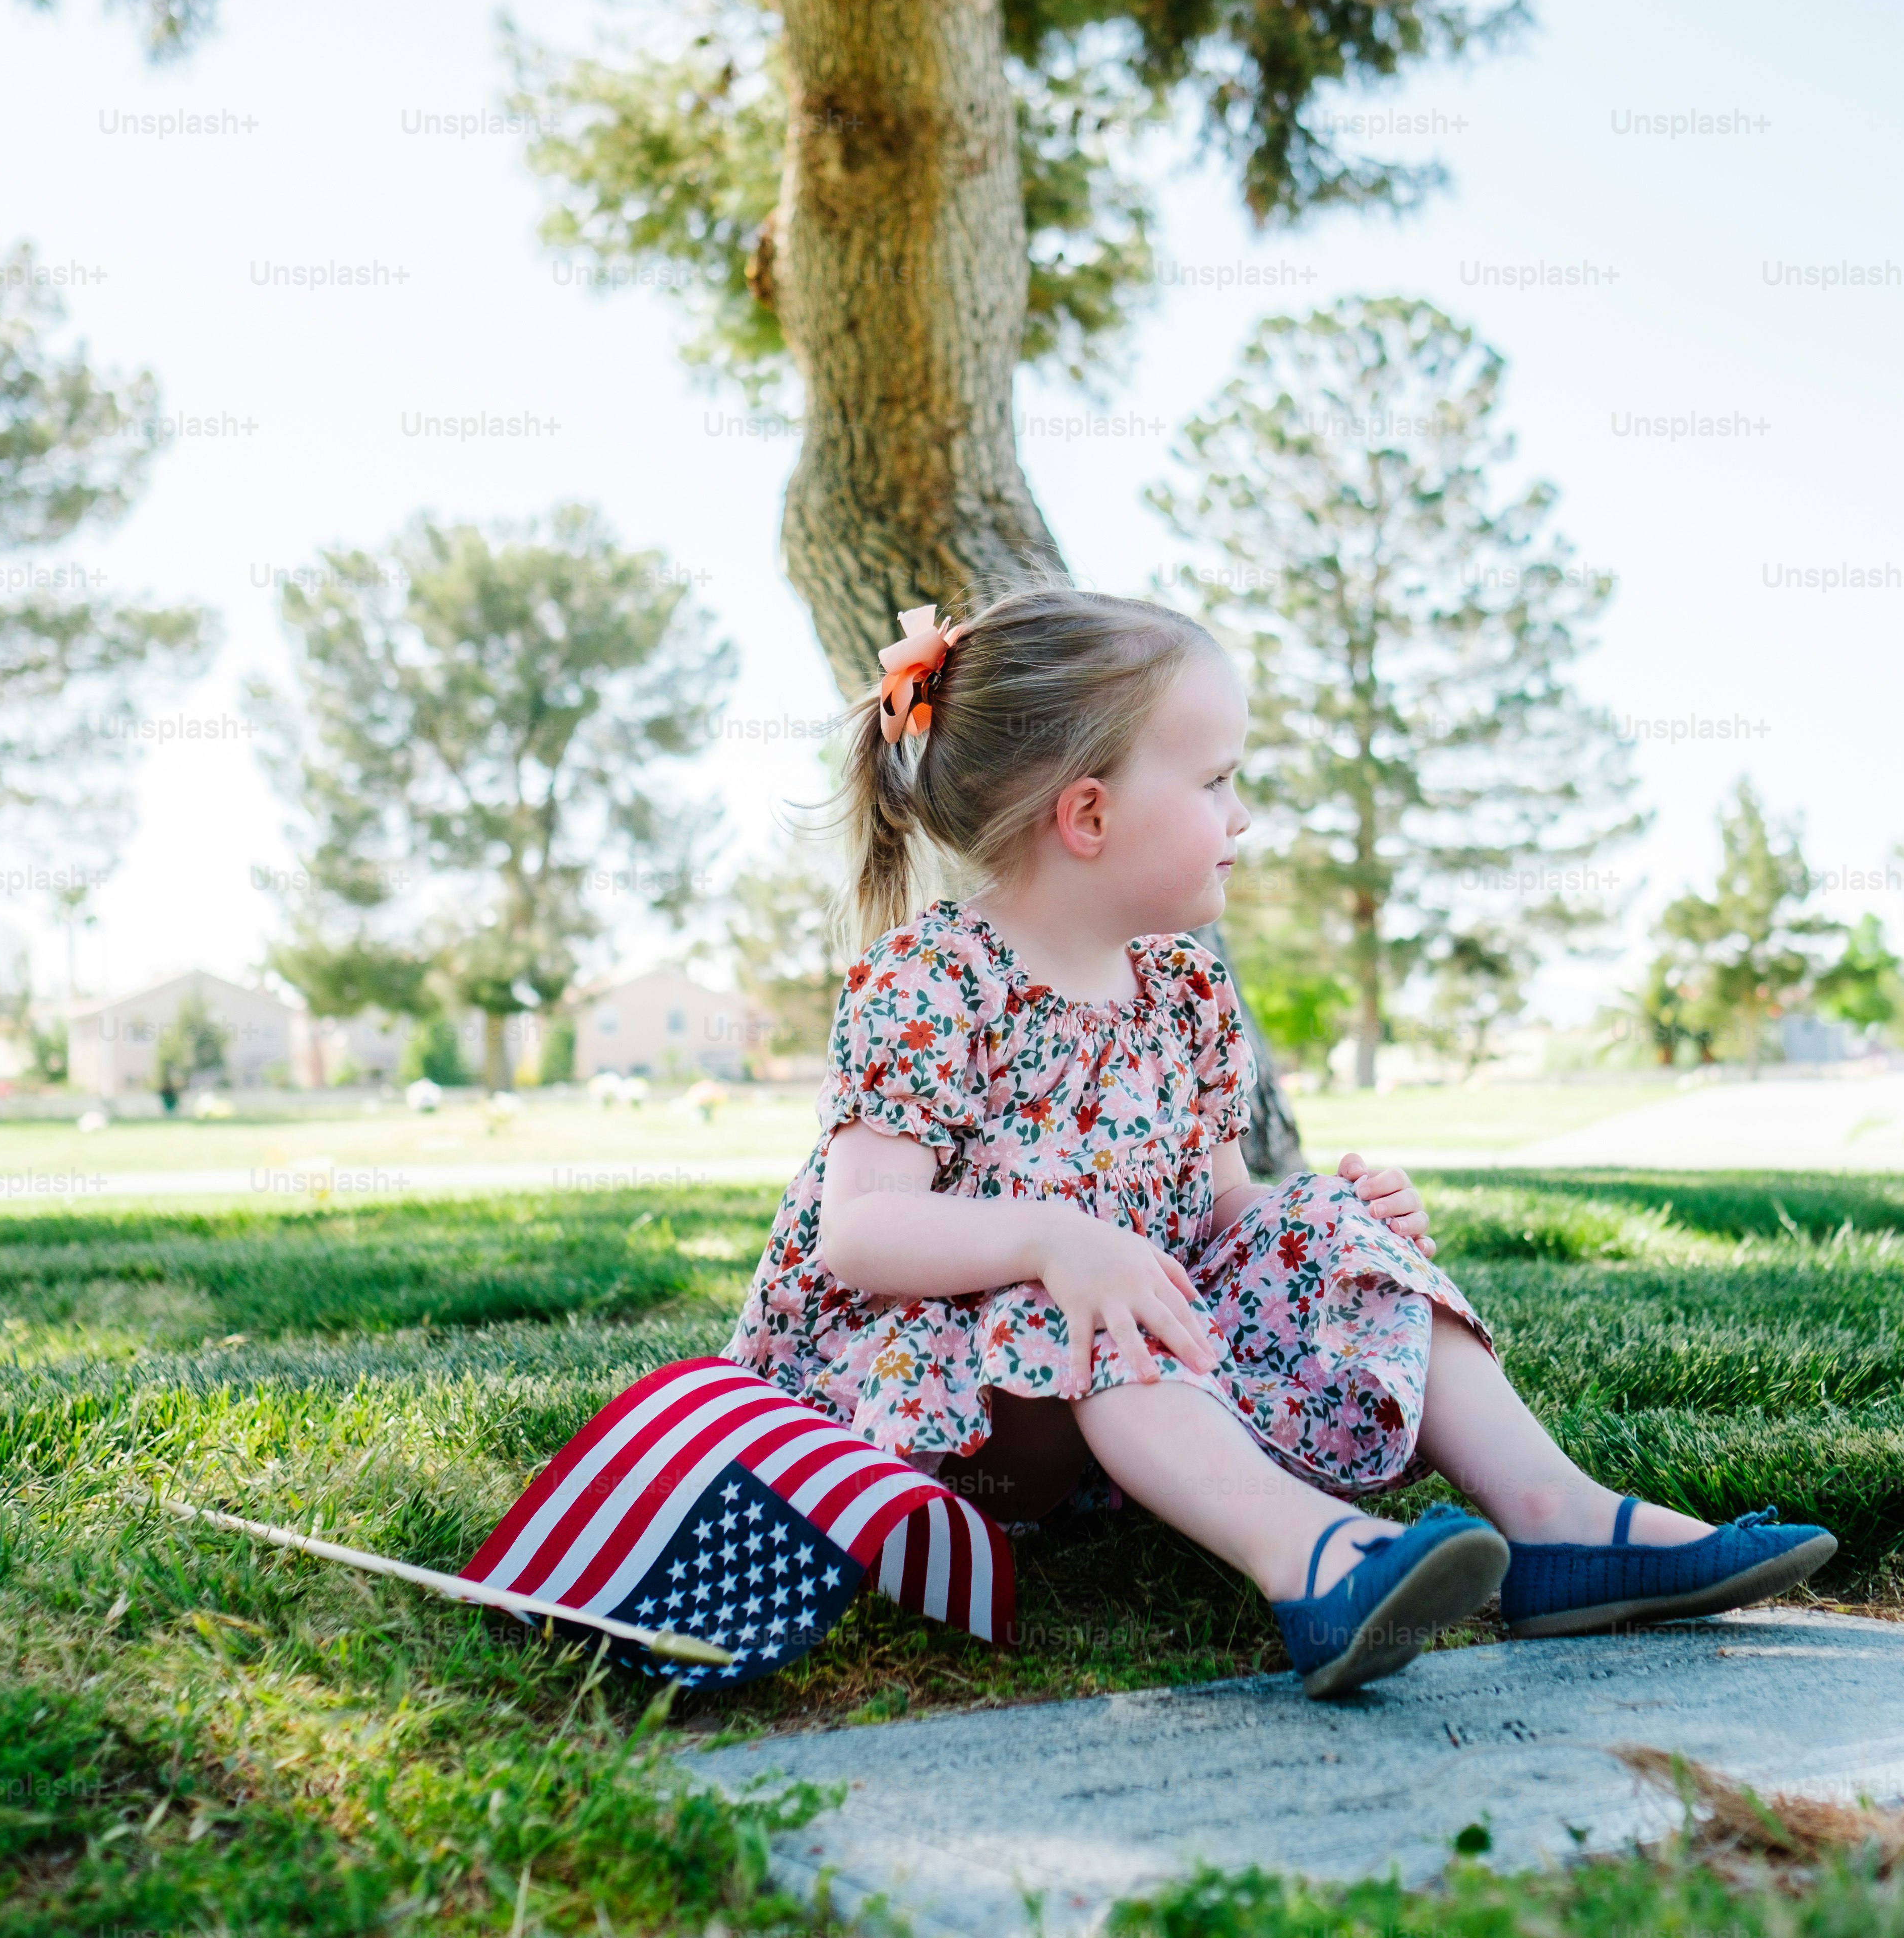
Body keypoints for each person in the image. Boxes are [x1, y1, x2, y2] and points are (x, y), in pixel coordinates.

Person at [722, 584, 1834, 1698]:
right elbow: (861, 1232)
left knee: (1311, 1218)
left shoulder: (1184, 991)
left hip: (1132, 1395)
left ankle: (1561, 1522)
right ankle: (1314, 1560)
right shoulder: (934, 980)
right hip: (938, 1417)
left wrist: (1340, 1226)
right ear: (1090, 816)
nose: (1242, 815)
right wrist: (1058, 1241)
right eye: (1215, 782)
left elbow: (1220, 1213)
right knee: (1086, 1284)